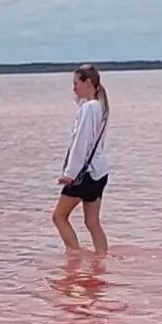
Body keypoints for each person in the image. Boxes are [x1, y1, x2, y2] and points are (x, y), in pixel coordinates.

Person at [51, 64, 112, 256]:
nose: (73, 88)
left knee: (59, 216)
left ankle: (73, 256)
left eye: (76, 83)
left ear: (88, 83)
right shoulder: (101, 107)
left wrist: (70, 174)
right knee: (92, 222)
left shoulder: (88, 108)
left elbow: (81, 144)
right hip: (100, 172)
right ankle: (102, 258)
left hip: (84, 174)